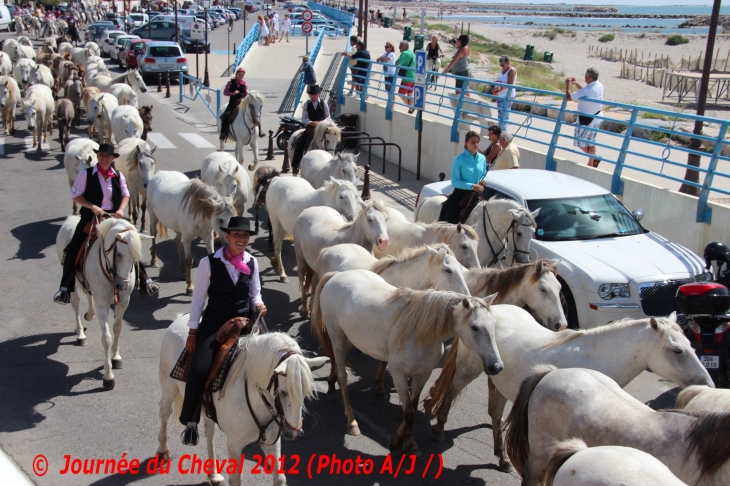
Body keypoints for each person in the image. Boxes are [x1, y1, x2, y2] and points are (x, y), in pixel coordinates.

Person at [179, 216, 267, 446]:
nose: (242, 239)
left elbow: (255, 293)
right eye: (237, 235)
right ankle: (191, 421)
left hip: (245, 322)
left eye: (245, 235)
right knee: (198, 369)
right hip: (216, 323)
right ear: (226, 237)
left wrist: (259, 304)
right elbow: (198, 300)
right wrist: (192, 332)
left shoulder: (252, 262)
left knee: (272, 361)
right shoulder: (209, 263)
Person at [54, 144, 158, 304]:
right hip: (91, 217)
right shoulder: (85, 174)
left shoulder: (118, 175)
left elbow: (125, 194)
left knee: (132, 243)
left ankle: (145, 280)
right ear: (98, 156)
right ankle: (65, 288)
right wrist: (92, 207)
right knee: (74, 248)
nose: (104, 158)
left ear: (112, 158)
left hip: (114, 217)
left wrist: (121, 209)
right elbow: (75, 194)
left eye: (107, 156)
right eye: (101, 155)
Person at [439, 131, 487, 224]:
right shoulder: (458, 160)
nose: (476, 144)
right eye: (472, 142)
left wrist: (483, 181)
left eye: (478, 142)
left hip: (477, 193)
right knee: (449, 220)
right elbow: (455, 181)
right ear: (466, 142)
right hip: (461, 194)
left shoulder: (482, 158)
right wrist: (472, 186)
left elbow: (483, 174)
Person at [566, 67, 604, 167]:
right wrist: (576, 84)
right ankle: (591, 163)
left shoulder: (589, 89)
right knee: (591, 141)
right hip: (597, 116)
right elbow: (585, 91)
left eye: (586, 75)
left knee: (579, 142)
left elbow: (569, 97)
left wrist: (568, 85)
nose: (584, 77)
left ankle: (594, 158)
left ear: (590, 77)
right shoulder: (599, 85)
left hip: (588, 119)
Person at [291, 85, 330, 174]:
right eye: (311, 94)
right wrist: (311, 122)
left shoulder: (324, 103)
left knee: (331, 142)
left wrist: (320, 123)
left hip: (322, 127)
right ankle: (295, 165)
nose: (312, 96)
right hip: (310, 127)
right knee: (300, 143)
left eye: (314, 94)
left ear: (318, 94)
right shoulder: (307, 104)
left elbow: (328, 116)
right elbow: (304, 118)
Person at [220, 67, 249, 141]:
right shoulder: (230, 83)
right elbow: (225, 92)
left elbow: (246, 93)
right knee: (226, 115)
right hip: (233, 103)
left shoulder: (244, 84)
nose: (241, 76)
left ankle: (258, 131)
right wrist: (232, 93)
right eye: (239, 74)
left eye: (242, 75)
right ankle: (223, 133)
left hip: (242, 103)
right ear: (236, 74)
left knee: (253, 112)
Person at [492, 56, 517, 131]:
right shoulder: (502, 71)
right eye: (501, 65)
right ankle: (501, 132)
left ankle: (503, 134)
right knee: (500, 116)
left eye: (503, 65)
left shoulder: (511, 70)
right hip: (500, 95)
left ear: (508, 63)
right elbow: (500, 81)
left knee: (504, 116)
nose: (502, 67)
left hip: (507, 96)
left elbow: (509, 84)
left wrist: (499, 87)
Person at [395, 40, 415, 114]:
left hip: (407, 77)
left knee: (401, 93)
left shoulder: (405, 53)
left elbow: (397, 62)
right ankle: (410, 109)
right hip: (413, 77)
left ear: (404, 46)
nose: (399, 47)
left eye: (400, 46)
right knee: (410, 93)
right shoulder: (412, 53)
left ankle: (411, 107)